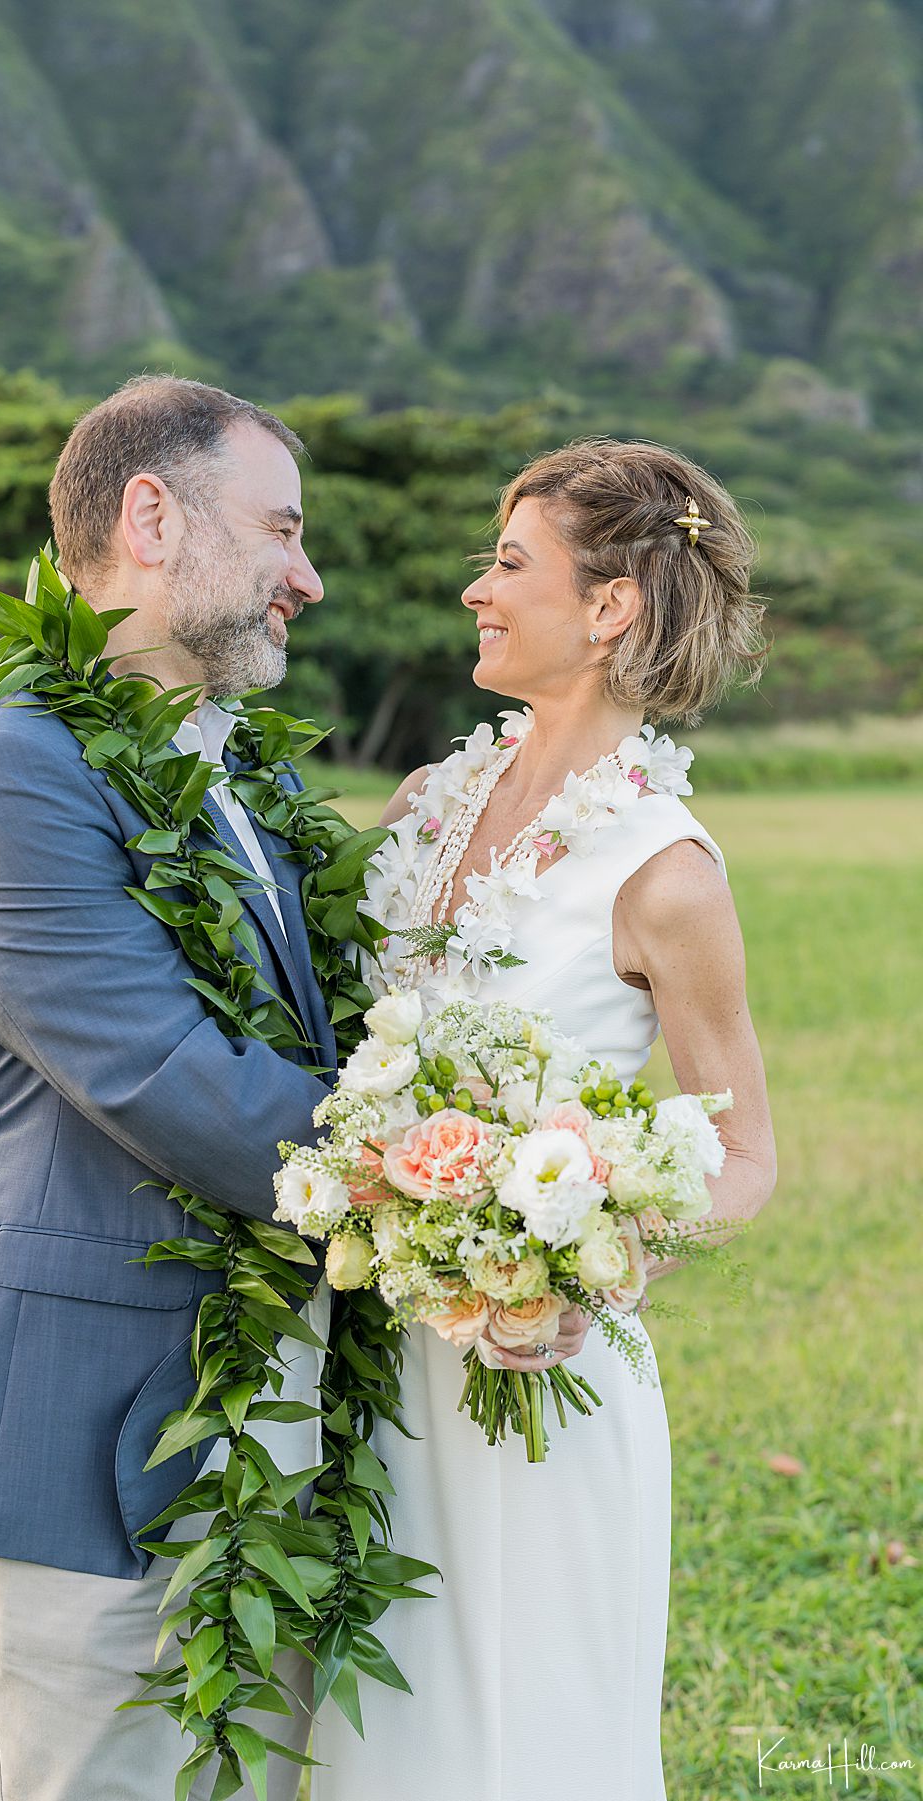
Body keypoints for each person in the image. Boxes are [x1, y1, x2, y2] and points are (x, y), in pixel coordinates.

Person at [0, 375, 331, 1801]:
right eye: (282, 529)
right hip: (92, 1446)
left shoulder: (242, 782)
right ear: (152, 514)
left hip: (274, 1429)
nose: (306, 577)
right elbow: (164, 1073)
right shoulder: (9, 777)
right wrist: (452, 1184)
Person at [310, 436, 778, 1799]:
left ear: (611, 605)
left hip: (543, 1389)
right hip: (381, 1375)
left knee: (533, 1745)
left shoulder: (663, 870)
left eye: (509, 562)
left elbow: (744, 1152)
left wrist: (597, 1268)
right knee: (380, 1743)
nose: (476, 590)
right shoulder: (424, 803)